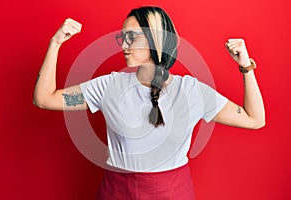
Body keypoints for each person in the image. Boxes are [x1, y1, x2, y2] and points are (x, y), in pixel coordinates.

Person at [33, 6, 265, 200]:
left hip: (174, 193)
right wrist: (55, 44)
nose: (124, 45)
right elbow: (44, 99)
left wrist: (245, 67)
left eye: (131, 37)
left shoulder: (192, 91)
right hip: (116, 193)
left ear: (157, 39)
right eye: (122, 37)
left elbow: (254, 119)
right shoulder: (107, 87)